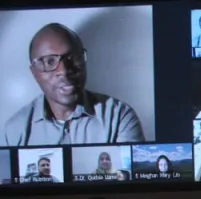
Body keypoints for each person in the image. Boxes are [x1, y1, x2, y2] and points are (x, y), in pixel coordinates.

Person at [5, 23, 146, 147]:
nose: (64, 71)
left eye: (73, 58)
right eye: (49, 62)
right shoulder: (15, 130)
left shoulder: (119, 117)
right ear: (35, 73)